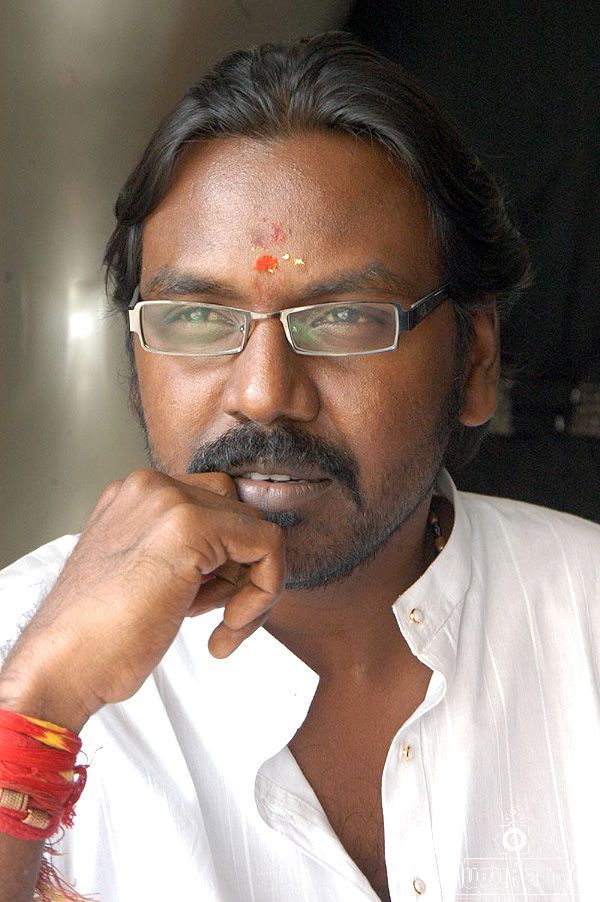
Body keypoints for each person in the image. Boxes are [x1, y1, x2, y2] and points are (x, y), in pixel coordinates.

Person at [0, 32, 598, 902]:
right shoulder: (23, 649)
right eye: (197, 320)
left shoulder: (586, 620)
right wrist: (37, 711)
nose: (263, 393)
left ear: (474, 360)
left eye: (344, 318)